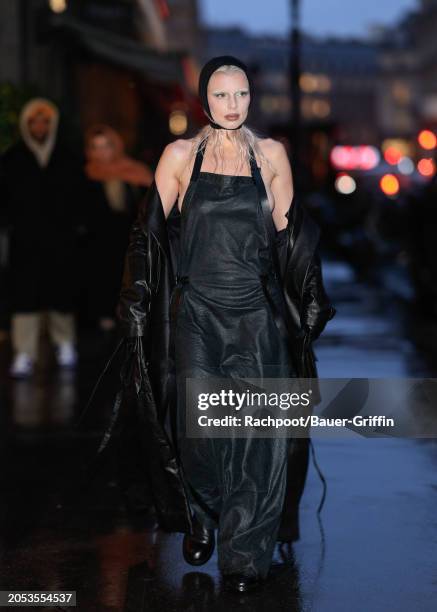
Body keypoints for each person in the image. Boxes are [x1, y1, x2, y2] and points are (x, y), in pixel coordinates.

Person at [109, 56, 335, 593]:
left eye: (240, 94)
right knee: (200, 433)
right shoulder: (180, 157)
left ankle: (244, 554)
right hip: (198, 315)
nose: (231, 105)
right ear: (204, 101)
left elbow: (291, 238)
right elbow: (149, 234)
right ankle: (201, 510)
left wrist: (310, 296)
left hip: (257, 315)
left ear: (251, 98)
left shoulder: (273, 156)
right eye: (220, 95)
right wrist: (135, 296)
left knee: (259, 438)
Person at [1, 98, 85, 377]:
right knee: (25, 296)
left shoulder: (68, 157)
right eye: (34, 121)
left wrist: (76, 228)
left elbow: (78, 198)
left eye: (45, 121)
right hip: (25, 241)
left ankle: (65, 344)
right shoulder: (12, 159)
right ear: (26, 125)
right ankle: (25, 351)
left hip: (61, 240)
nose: (40, 126)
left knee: (61, 293)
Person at [83, 125, 152, 331]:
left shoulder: (135, 173)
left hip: (130, 243)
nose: (102, 152)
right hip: (98, 248)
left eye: (106, 146)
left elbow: (148, 208)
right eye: (96, 147)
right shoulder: (86, 176)